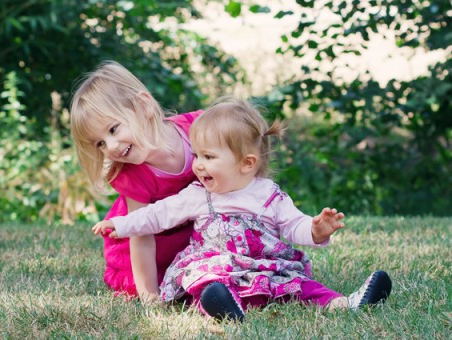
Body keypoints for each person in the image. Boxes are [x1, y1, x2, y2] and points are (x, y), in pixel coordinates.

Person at [92, 97, 392, 322]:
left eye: (208, 157)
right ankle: (223, 310)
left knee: (299, 284)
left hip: (263, 264)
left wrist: (314, 229)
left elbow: (292, 224)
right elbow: (157, 215)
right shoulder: (197, 194)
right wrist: (122, 224)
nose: (198, 165)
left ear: (247, 163)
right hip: (218, 263)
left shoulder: (267, 194)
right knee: (208, 282)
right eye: (197, 155)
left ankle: (345, 303)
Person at [70, 61, 204, 301]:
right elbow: (141, 236)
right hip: (155, 248)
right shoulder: (134, 175)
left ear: (143, 106)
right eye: (100, 143)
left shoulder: (197, 130)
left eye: (113, 129)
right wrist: (149, 295)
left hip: (196, 236)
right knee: (176, 284)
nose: (110, 146)